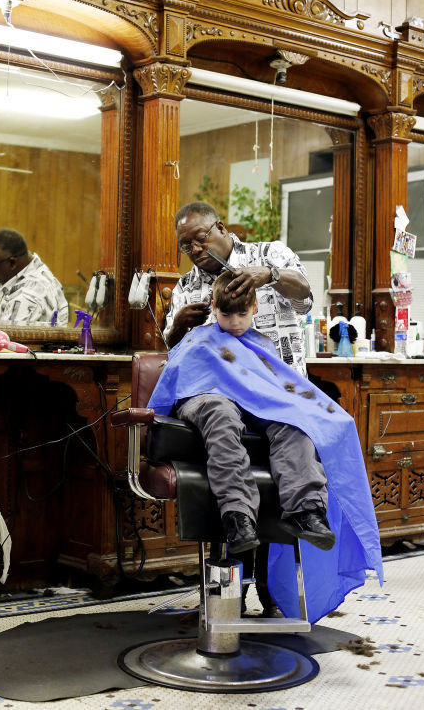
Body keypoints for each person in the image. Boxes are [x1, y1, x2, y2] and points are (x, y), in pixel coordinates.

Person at [149, 271, 383, 624]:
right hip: (206, 399)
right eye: (226, 315)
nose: (235, 323)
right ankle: (238, 517)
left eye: (242, 314)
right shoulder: (199, 338)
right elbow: (176, 384)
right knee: (221, 415)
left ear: (254, 307)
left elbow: (277, 390)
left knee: (294, 421)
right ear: (214, 308)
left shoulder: (262, 344)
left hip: (254, 407)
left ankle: (306, 510)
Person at [165, 201, 312, 376]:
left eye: (201, 238)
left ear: (220, 228)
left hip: (282, 387)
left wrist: (270, 274)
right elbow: (172, 351)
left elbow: (305, 300)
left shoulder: (269, 255)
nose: (195, 249)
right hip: (221, 395)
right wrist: (178, 327)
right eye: (186, 246)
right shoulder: (185, 287)